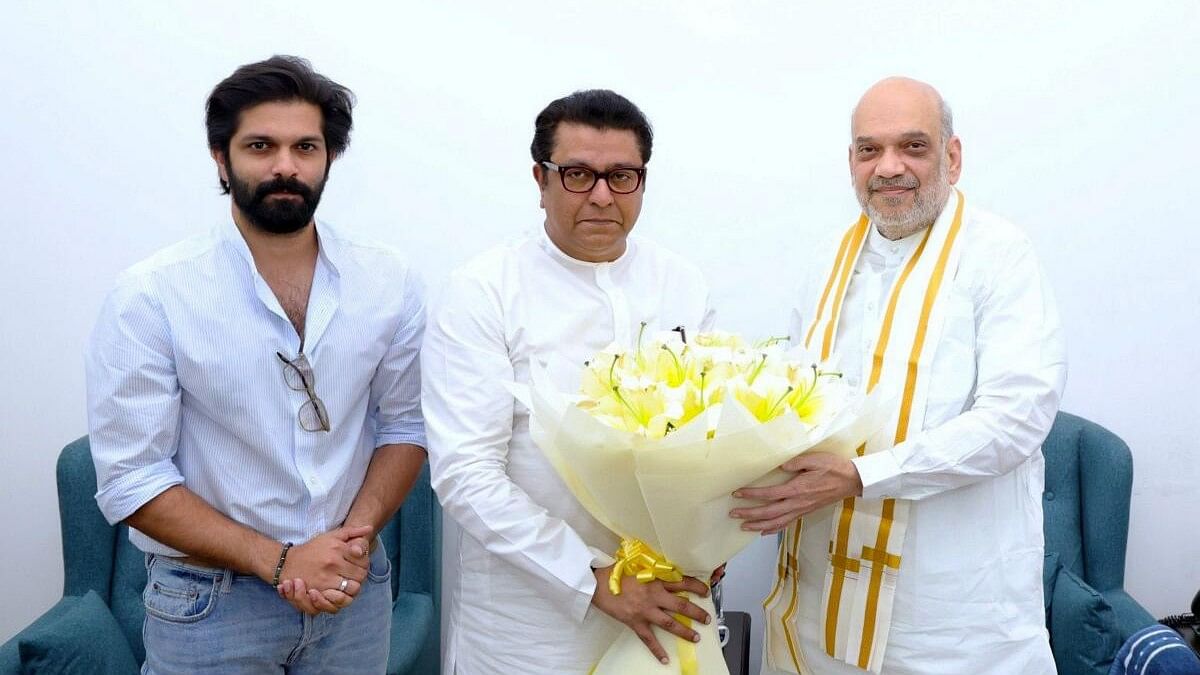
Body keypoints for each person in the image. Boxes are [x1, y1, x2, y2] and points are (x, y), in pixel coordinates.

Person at [85, 55, 427, 674]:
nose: (285, 167)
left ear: (329, 158)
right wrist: (280, 560)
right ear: (222, 157)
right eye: (261, 146)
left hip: (353, 590)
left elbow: (407, 424)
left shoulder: (389, 280)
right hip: (209, 605)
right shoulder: (152, 293)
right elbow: (131, 479)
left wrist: (351, 540)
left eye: (306, 147)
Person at [733, 77, 1067, 674]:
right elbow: (790, 391)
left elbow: (1019, 418)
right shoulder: (828, 260)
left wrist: (863, 476)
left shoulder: (999, 255)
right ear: (852, 162)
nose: (889, 167)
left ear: (952, 156)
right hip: (820, 598)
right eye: (870, 149)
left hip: (950, 619)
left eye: (913, 146)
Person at [422, 89, 716, 673]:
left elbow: (709, 437)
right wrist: (595, 579)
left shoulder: (681, 283)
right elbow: (466, 474)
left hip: (667, 602)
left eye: (622, 176)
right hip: (527, 627)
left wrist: (709, 538)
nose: (602, 196)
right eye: (579, 174)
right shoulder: (484, 290)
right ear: (541, 178)